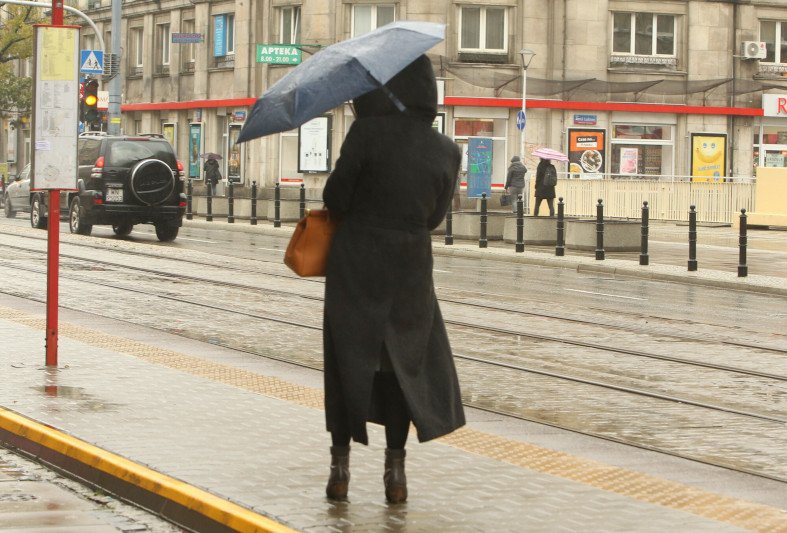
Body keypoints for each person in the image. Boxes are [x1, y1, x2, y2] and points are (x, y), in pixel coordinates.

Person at [321, 55, 466, 504]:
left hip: (356, 264)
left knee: (348, 361)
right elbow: (436, 216)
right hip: (410, 268)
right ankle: (396, 473)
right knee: (403, 366)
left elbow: (336, 197)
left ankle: (340, 468)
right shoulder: (446, 149)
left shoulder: (366, 133)